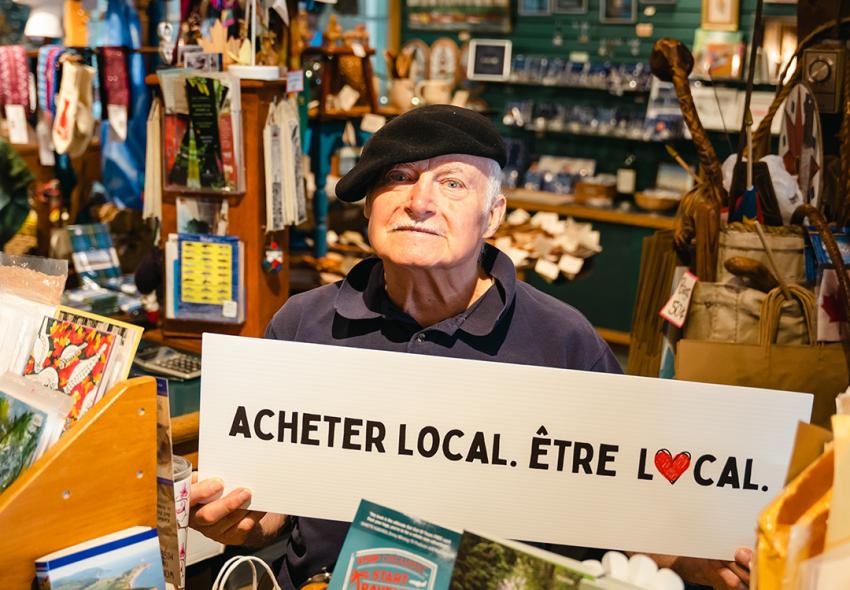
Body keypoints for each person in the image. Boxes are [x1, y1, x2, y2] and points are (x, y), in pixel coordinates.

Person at [190, 105, 751, 590]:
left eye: (453, 183)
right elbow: (272, 509)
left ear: (494, 214)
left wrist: (692, 555)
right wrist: (238, 519)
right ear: (369, 205)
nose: (419, 201)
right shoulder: (305, 324)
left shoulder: (563, 341)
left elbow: (622, 502)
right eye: (399, 177)